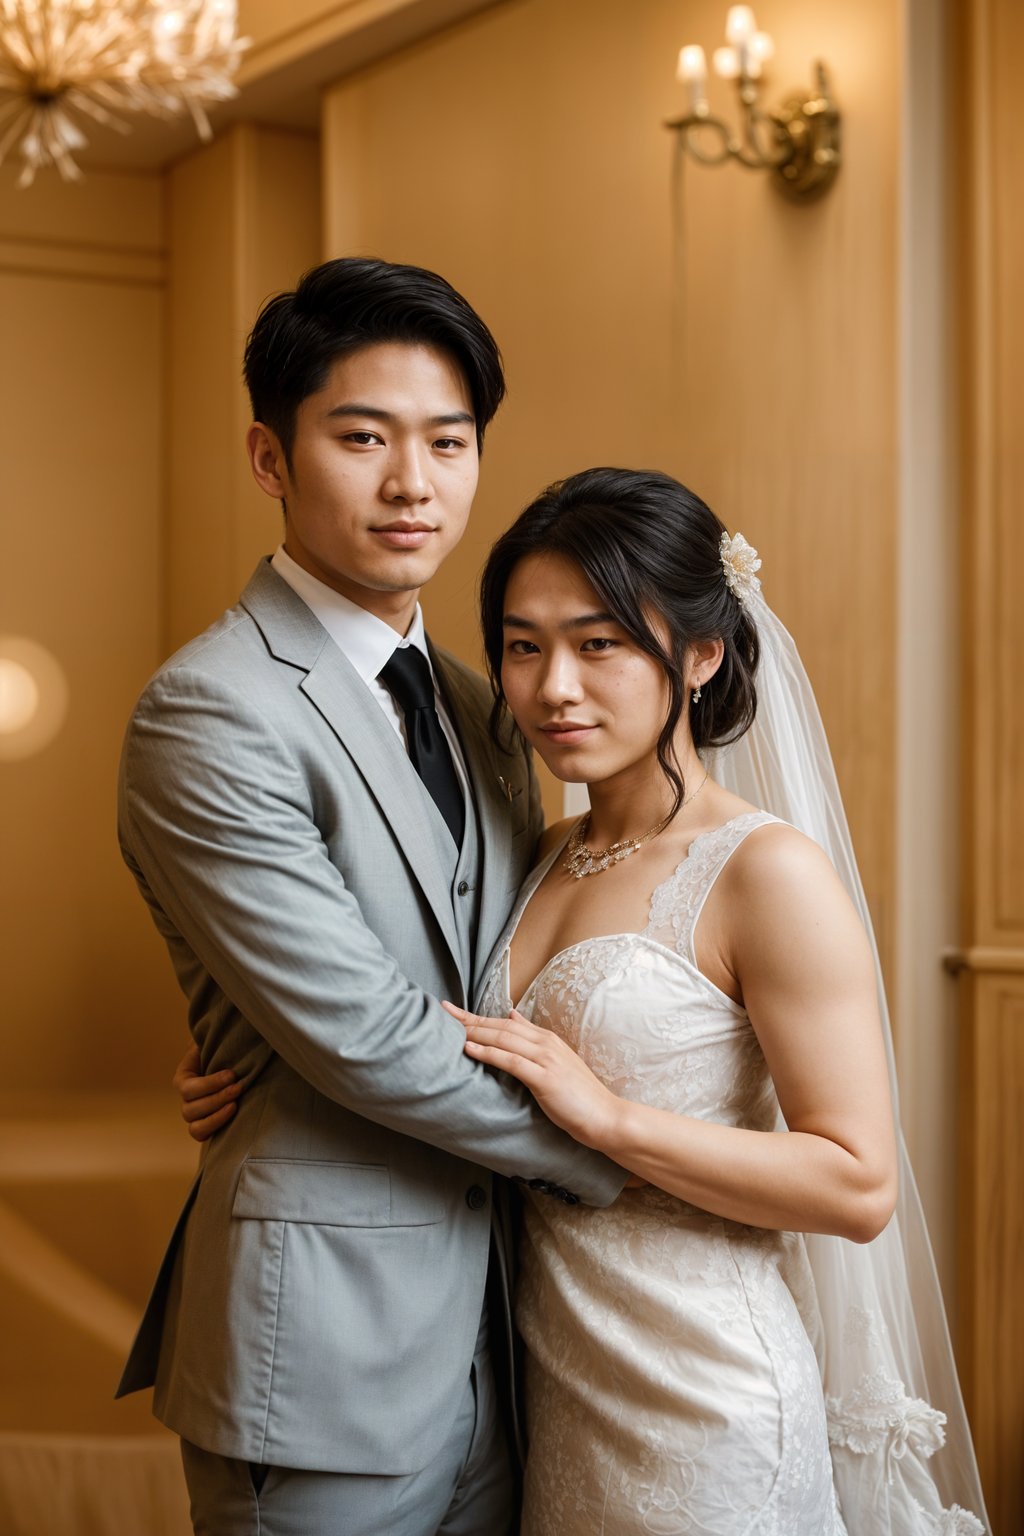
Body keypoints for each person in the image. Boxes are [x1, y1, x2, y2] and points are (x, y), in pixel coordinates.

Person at [184, 466, 990, 1532]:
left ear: (701, 654)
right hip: (548, 1399)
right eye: (523, 645)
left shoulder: (764, 872)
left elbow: (855, 1183)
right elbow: (402, 1019)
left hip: (704, 1401)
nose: (553, 686)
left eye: (599, 642)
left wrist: (607, 1119)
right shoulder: (538, 851)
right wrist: (262, 1079)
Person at [116, 258, 629, 1536]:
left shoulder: (482, 696)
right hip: (324, 1351)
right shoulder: (210, 711)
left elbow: (511, 954)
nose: (414, 483)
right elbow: (362, 1035)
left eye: (448, 442)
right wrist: (629, 1157)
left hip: (511, 1342)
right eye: (364, 437)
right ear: (269, 457)